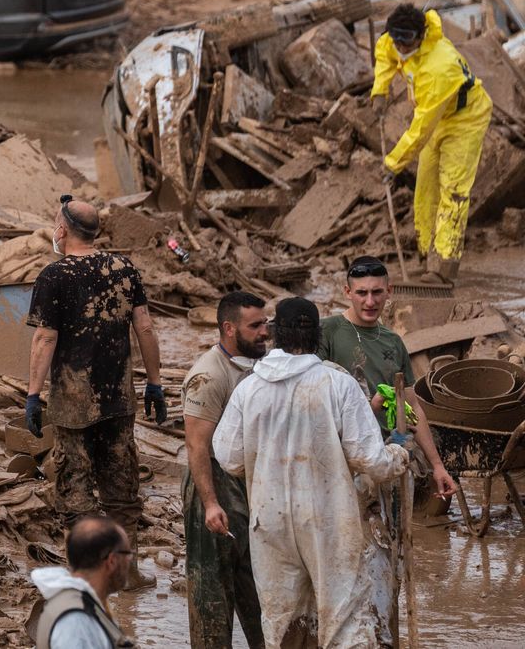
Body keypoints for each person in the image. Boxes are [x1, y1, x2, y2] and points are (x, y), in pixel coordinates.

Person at [214, 297, 409, 649]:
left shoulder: (249, 388)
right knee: (343, 616)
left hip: (270, 519)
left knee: (282, 619)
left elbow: (228, 456)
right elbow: (372, 461)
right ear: (318, 335)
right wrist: (398, 451)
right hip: (328, 518)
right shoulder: (337, 384)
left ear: (274, 334)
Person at [25, 195, 164, 591]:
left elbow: (45, 338)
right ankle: (128, 574)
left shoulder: (55, 276)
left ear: (63, 230)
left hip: (73, 401)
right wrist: (154, 383)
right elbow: (146, 329)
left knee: (76, 490)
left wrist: (34, 394)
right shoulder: (124, 269)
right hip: (118, 398)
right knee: (122, 490)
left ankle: (85, 578)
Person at [319, 255, 459, 502]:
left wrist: (437, 466)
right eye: (362, 293)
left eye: (377, 292)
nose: (370, 301)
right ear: (347, 292)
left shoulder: (393, 342)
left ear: (389, 292)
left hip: (384, 454)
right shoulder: (328, 331)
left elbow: (412, 406)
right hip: (340, 457)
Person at [372, 4, 493, 284]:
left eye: (406, 40)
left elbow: (421, 126)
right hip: (437, 116)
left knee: (453, 191)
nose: (400, 47)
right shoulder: (394, 41)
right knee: (425, 189)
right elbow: (383, 52)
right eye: (396, 39)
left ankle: (443, 268)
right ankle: (427, 258)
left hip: (465, 119)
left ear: (421, 35)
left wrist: (393, 162)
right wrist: (380, 89)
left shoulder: (440, 66)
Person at [182, 291, 267, 649]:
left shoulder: (258, 366)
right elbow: (196, 446)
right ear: (229, 329)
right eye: (256, 326)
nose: (265, 332)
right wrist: (211, 503)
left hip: (247, 486)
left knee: (258, 588)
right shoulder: (209, 376)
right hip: (213, 484)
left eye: (266, 323)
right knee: (212, 592)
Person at [29, 515, 138, 649]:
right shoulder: (76, 623)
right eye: (127, 554)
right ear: (112, 561)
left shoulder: (80, 602)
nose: (129, 560)